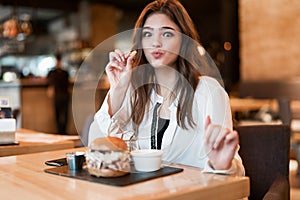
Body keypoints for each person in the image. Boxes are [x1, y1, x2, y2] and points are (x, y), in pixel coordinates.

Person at [88, 0, 245, 175]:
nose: (156, 42)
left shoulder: (208, 91)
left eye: (167, 34)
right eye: (147, 34)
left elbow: (235, 171)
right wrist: (118, 90)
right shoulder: (135, 91)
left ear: (184, 40)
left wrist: (221, 165)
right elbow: (95, 146)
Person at [47, 53, 70, 134]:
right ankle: (60, 131)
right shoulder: (55, 73)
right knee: (58, 115)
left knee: (64, 115)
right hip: (59, 95)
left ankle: (63, 131)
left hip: (63, 95)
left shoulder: (63, 73)